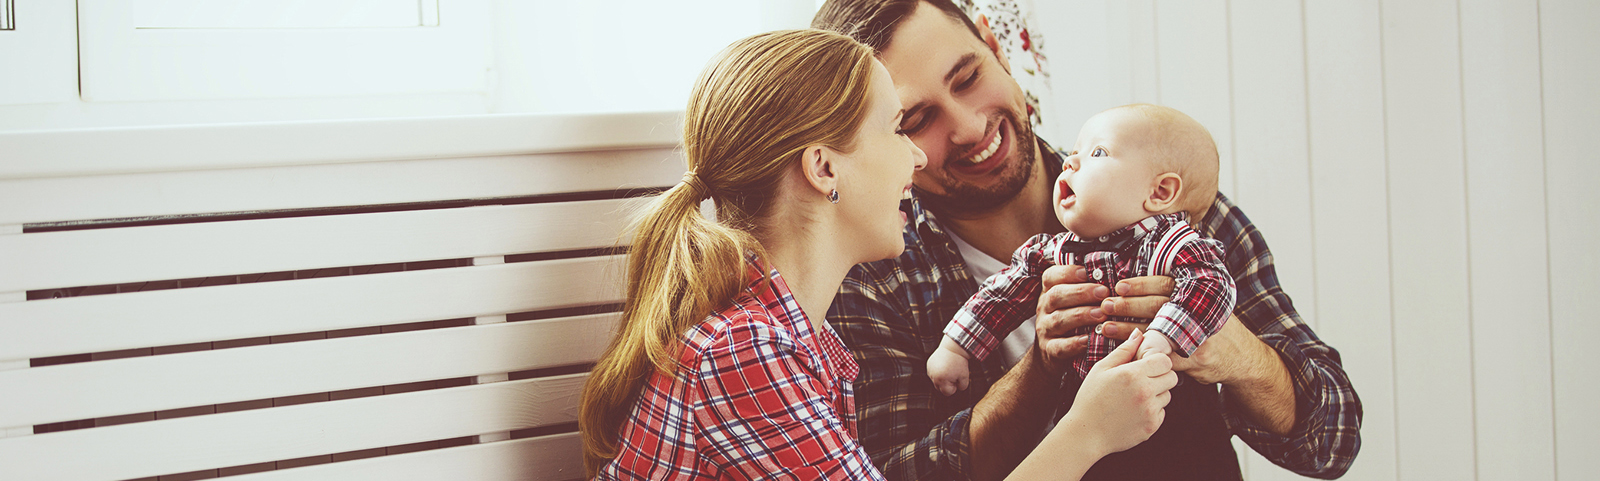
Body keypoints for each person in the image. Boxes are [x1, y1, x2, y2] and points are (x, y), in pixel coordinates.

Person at [577, 29, 1177, 480]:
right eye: (897, 129)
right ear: (824, 168)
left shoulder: (800, 341)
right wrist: (1087, 432)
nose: (916, 158)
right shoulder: (743, 355)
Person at [813, 1, 1363, 480]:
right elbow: (894, 473)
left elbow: (1332, 442)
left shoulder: (1161, 194)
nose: (969, 127)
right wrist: (1040, 368)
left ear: (995, 45)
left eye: (966, 77)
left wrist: (1233, 350)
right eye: (917, 119)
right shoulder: (868, 274)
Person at [928, 104, 1235, 396]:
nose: (1069, 163)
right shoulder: (1054, 251)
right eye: (1074, 153)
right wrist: (955, 347)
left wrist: (1164, 337)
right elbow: (1000, 297)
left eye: (1097, 152)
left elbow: (1213, 285)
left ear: (1159, 192)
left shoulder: (1173, 245)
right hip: (1086, 415)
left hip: (1175, 415)